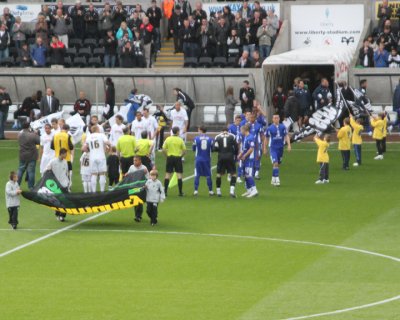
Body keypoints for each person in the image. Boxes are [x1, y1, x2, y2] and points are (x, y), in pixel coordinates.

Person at [263, 113, 291, 186]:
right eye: (274, 118)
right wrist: (265, 148)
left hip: (280, 148)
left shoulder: (282, 127)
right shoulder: (269, 128)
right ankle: (277, 179)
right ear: (272, 119)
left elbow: (286, 136)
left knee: (277, 164)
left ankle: (273, 178)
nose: (276, 119)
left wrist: (289, 145)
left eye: (277, 118)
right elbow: (266, 138)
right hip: (273, 148)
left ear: (279, 119)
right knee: (275, 163)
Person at [84, 125, 111, 192]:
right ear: (97, 129)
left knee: (94, 174)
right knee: (102, 173)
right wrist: (109, 149)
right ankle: (102, 191)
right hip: (101, 156)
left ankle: (94, 192)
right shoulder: (101, 135)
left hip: (92, 157)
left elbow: (84, 147)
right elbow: (108, 143)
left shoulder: (89, 136)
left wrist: (90, 151)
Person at [213, 127, 238, 197]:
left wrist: (220, 150)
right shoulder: (232, 136)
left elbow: (214, 148)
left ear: (222, 131)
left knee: (218, 174)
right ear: (228, 131)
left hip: (221, 157)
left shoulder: (217, 137)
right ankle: (232, 191)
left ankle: (218, 192)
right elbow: (236, 147)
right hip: (230, 156)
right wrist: (235, 154)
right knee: (233, 174)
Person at [47, 148, 69, 221]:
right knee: (57, 201)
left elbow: (66, 173)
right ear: (62, 153)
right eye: (65, 154)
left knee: (64, 201)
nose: (66, 155)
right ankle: (57, 213)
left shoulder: (65, 162)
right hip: (55, 186)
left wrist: (68, 183)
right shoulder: (53, 161)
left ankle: (62, 215)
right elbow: (47, 170)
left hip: (64, 184)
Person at [162, 126, 186, 197]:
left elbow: (163, 149)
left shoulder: (168, 139)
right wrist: (181, 156)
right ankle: (180, 192)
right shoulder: (180, 140)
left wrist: (167, 156)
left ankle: (165, 192)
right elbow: (184, 150)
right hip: (177, 158)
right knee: (179, 175)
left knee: (167, 174)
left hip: (170, 157)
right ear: (178, 131)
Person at [17, 122, 40, 190]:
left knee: (20, 171)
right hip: (31, 156)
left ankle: (17, 185)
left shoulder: (19, 135)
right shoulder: (32, 135)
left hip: (22, 155)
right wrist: (36, 134)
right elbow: (39, 141)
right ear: (29, 127)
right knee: (31, 172)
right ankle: (31, 187)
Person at [192, 126, 214, 196]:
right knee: (208, 175)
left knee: (197, 175)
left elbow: (193, 149)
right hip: (207, 159)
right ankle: (210, 191)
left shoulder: (196, 138)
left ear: (200, 130)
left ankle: (195, 191)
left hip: (198, 159)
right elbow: (213, 149)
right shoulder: (210, 139)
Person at [127, 155, 149, 222]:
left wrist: (146, 185)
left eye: (136, 160)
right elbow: (128, 175)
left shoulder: (144, 168)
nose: (134, 162)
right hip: (133, 187)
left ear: (140, 161)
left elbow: (148, 178)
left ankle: (138, 216)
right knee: (135, 201)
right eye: (133, 160)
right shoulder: (131, 167)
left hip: (141, 188)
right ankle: (137, 215)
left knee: (139, 201)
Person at [238, 124, 258, 198]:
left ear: (245, 130)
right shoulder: (245, 137)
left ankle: (254, 190)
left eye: (241, 130)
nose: (240, 131)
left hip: (249, 159)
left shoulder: (250, 137)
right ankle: (249, 190)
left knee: (248, 175)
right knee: (245, 175)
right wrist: (240, 155)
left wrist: (245, 156)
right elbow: (244, 148)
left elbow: (251, 148)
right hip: (245, 159)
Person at [228, 114, 243, 183]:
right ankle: (230, 174)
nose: (238, 121)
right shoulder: (231, 127)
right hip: (233, 146)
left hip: (240, 146)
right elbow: (229, 136)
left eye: (239, 120)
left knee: (240, 161)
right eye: (237, 120)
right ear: (235, 120)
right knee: (232, 161)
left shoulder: (242, 127)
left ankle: (239, 177)